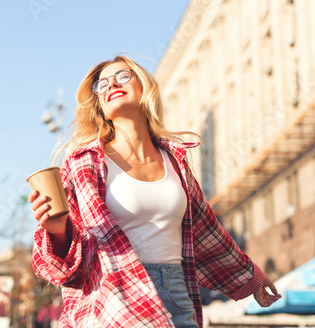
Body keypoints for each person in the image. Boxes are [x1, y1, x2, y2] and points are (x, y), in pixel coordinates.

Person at [28, 55, 282, 328]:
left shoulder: (175, 160)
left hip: (176, 293)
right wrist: (56, 231)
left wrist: (250, 276)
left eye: (123, 76)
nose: (112, 83)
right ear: (99, 105)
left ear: (144, 87)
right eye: (102, 84)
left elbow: (205, 230)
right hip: (114, 298)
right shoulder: (83, 163)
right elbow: (61, 267)